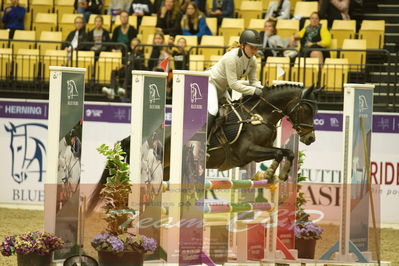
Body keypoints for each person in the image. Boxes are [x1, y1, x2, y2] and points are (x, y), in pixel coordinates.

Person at [207, 29, 264, 138]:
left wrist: (263, 89)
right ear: (243, 45)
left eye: (256, 48)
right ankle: (204, 141)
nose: (255, 51)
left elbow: (254, 81)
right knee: (214, 109)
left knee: (232, 111)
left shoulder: (253, 60)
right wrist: (254, 91)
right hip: (211, 83)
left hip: (222, 88)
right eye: (252, 47)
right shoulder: (231, 57)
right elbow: (233, 84)